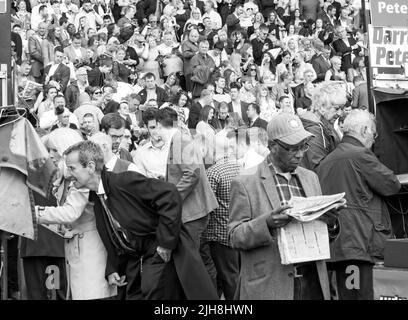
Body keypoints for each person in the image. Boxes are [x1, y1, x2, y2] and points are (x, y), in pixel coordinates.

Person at [62, 140, 216, 300]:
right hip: (136, 260)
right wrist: (112, 267)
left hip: (159, 253)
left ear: (91, 166)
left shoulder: (124, 181)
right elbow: (115, 236)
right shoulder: (96, 196)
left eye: (72, 168)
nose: (68, 174)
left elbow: (170, 194)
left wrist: (165, 243)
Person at [228, 112, 342, 300]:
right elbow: (235, 237)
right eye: (292, 148)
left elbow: (324, 236)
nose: (299, 154)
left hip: (313, 281)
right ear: (272, 146)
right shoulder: (245, 182)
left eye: (303, 147)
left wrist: (331, 223)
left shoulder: (310, 178)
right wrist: (267, 223)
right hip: (271, 287)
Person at [317, 109, 401, 300]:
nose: (374, 138)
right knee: (360, 295)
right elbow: (391, 184)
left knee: (348, 294)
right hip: (360, 244)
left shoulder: (326, 161)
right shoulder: (360, 154)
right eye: (373, 132)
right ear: (364, 131)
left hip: (340, 245)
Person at [35, 128, 117, 300]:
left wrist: (32, 212)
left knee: (91, 294)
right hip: (75, 246)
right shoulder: (64, 178)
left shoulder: (83, 177)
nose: (51, 154)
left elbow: (70, 213)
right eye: (49, 150)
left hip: (90, 248)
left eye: (54, 150)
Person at [299, 81, 347, 171]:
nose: (340, 113)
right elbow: (318, 168)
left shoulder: (324, 124)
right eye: (336, 108)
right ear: (321, 106)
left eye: (342, 109)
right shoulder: (315, 130)